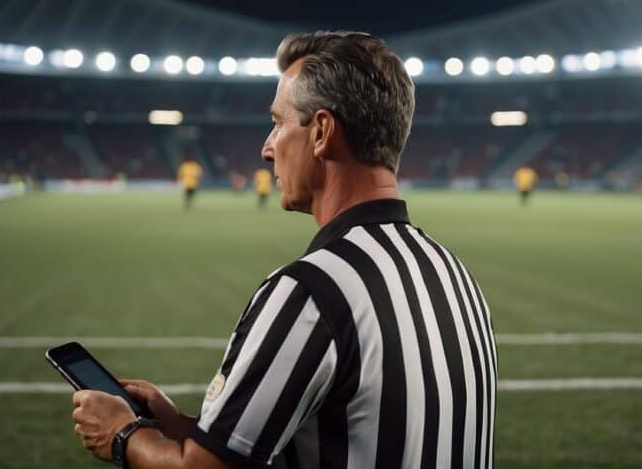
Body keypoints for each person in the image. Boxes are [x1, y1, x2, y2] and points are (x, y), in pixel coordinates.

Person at [70, 31, 498, 469]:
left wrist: (122, 434)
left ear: (321, 133)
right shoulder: (454, 276)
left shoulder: (312, 292)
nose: (267, 148)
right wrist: (178, 426)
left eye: (278, 123)